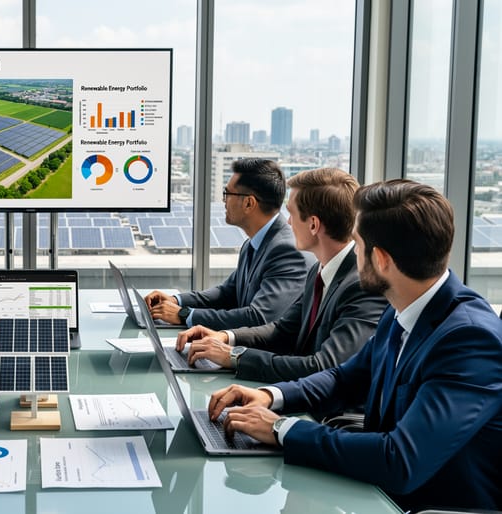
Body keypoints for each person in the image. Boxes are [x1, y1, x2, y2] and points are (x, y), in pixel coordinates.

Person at [209, 179, 502, 512]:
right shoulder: (403, 307)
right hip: (376, 494)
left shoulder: (469, 340)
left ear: (381, 259)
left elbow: (400, 460)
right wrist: (271, 396)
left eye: (357, 243)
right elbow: (344, 378)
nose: (352, 251)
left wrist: (281, 428)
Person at [175, 168, 386, 384]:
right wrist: (226, 337)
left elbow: (323, 366)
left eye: (291, 214)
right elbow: (282, 330)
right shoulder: (319, 270)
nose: (288, 223)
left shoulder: (362, 285)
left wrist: (234, 356)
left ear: (313, 225)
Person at [145, 159, 313, 328]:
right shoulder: (252, 244)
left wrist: (184, 315)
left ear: (249, 203)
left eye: (227, 194)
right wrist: (176, 300)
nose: (223, 201)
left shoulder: (287, 251)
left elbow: (258, 317)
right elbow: (227, 293)